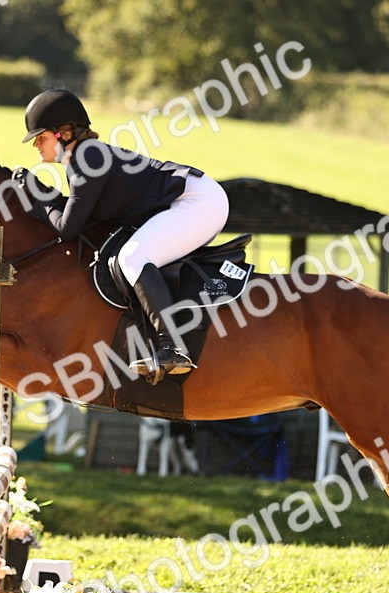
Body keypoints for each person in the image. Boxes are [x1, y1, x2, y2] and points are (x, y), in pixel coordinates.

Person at [12, 89, 230, 383]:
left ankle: (170, 346)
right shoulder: (84, 158)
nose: (36, 144)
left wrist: (37, 195)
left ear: (63, 133)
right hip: (196, 199)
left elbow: (67, 229)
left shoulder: (86, 158)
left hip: (197, 202)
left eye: (41, 136)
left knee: (133, 256)